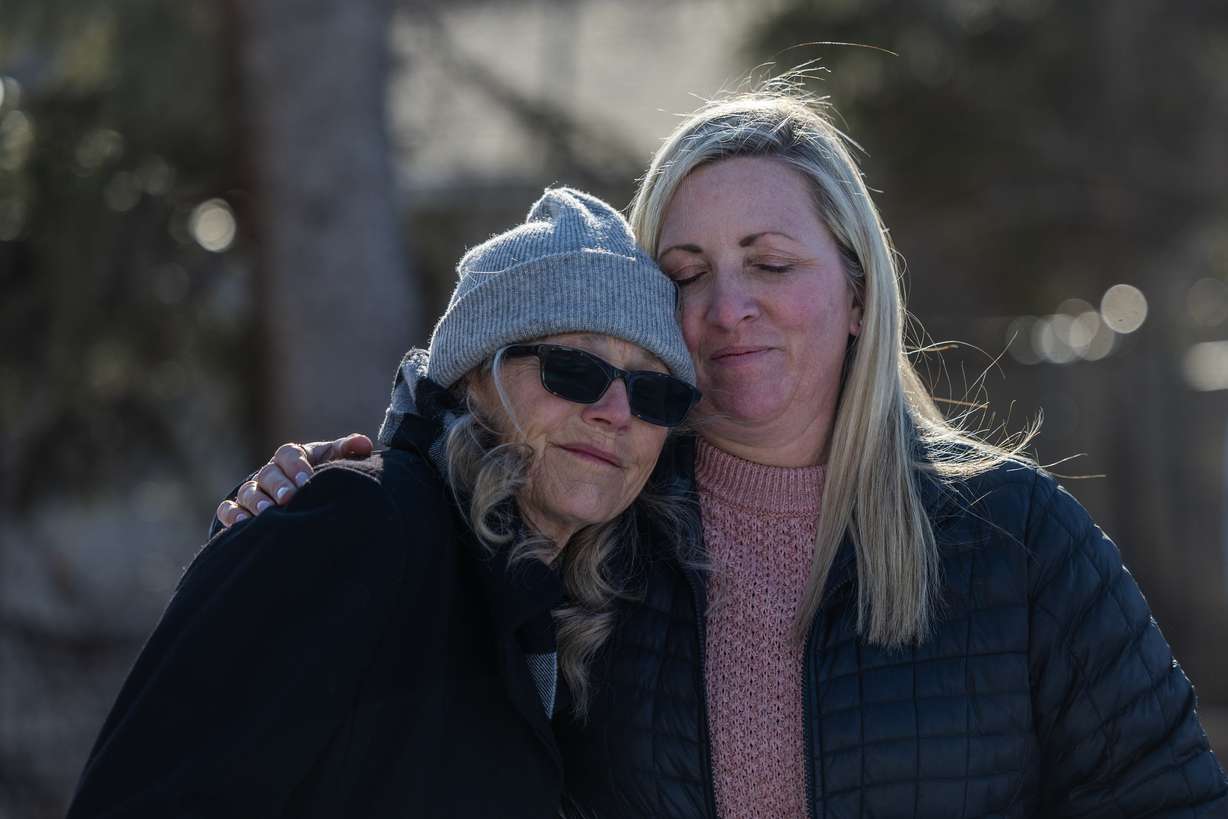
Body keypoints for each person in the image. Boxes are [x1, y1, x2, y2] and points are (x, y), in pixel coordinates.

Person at [213, 84, 1228, 817]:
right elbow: (432, 514)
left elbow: (1167, 795)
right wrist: (324, 490)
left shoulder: (1015, 537)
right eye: (685, 272)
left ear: (858, 295)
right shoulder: (590, 522)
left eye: (770, 263)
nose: (726, 307)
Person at [66, 188, 701, 818]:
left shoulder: (565, 616)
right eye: (574, 369)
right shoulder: (356, 530)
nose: (615, 413)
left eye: (653, 391)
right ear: (474, 375)